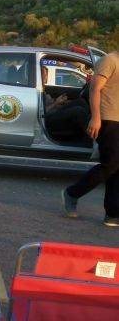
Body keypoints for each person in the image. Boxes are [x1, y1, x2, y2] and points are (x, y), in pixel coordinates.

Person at [63, 51, 119, 226]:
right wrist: (95, 118)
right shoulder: (110, 60)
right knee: (110, 164)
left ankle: (112, 214)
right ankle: (72, 193)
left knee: (117, 168)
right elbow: (95, 88)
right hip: (108, 119)